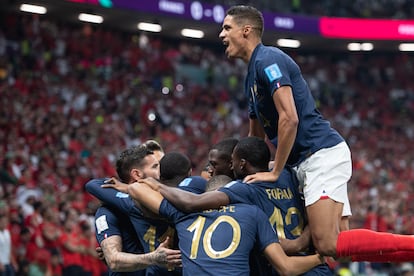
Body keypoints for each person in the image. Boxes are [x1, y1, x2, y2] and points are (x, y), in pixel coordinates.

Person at [218, 5, 414, 262]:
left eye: (227, 28)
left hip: (319, 154)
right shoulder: (250, 77)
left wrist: (276, 170)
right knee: (341, 242)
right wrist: (240, 166)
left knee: (327, 243)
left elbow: (289, 118)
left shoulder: (268, 59)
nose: (221, 35)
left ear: (246, 31)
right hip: (310, 159)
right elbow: (254, 140)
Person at [106, 137, 330, 275]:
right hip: (304, 263)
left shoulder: (187, 211)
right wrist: (312, 243)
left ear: (239, 165)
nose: (210, 169)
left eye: (216, 164)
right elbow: (286, 263)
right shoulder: (283, 178)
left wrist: (145, 186)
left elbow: (189, 202)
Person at [86, 145, 181, 276]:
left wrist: (127, 188)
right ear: (137, 174)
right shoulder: (109, 211)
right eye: (155, 166)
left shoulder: (168, 201)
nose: (161, 171)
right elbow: (113, 260)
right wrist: (153, 258)